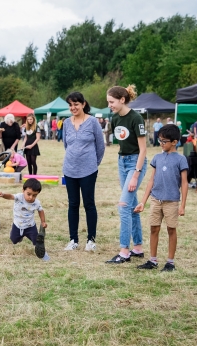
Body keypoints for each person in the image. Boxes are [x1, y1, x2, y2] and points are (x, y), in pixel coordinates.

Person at [134, 124, 188, 272]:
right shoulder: (157, 158)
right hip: (155, 199)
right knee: (154, 229)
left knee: (171, 229)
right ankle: (153, 260)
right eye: (160, 140)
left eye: (164, 141)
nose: (161, 144)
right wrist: (143, 202)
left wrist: (182, 205)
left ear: (174, 142)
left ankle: (170, 262)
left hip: (171, 201)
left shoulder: (181, 159)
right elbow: (151, 180)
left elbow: (184, 183)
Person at [105, 85, 148, 264]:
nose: (109, 105)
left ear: (122, 100)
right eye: (108, 102)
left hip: (136, 163)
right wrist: (121, 170)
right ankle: (137, 248)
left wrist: (136, 174)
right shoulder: (115, 119)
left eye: (112, 102)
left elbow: (143, 149)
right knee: (131, 206)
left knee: (123, 206)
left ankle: (124, 251)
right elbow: (121, 145)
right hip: (122, 162)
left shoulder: (136, 118)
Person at [62, 92, 105, 251]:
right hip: (70, 170)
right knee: (73, 204)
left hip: (88, 170)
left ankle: (91, 240)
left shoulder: (93, 122)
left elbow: (100, 146)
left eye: (76, 104)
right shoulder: (66, 123)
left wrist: (93, 163)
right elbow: (66, 145)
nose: (73, 107)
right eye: (71, 105)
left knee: (89, 204)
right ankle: (73, 240)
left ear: (83, 104)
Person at [0, 178, 49, 260]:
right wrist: (3, 195)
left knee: (37, 241)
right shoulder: (19, 197)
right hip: (17, 225)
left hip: (30, 226)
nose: (31, 197)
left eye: (34, 195)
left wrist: (43, 222)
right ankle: (20, 237)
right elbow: (10, 196)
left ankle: (43, 254)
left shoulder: (37, 203)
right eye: (28, 194)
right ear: (23, 190)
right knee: (14, 240)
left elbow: (41, 211)